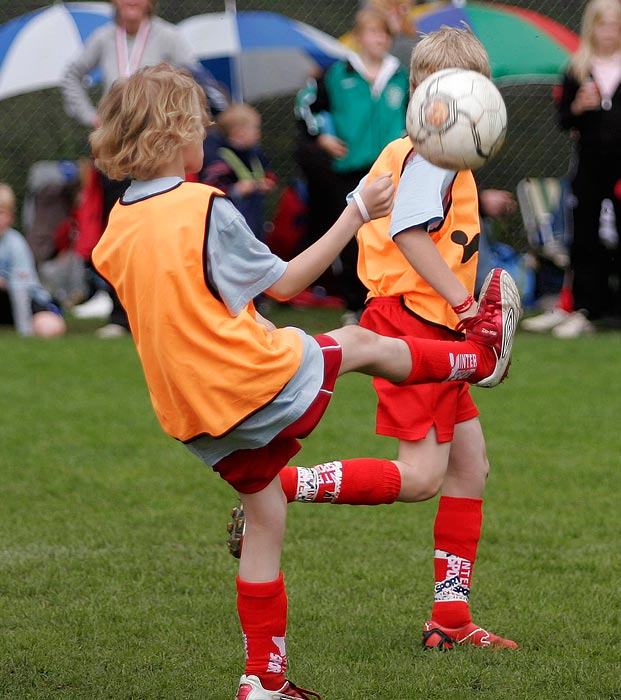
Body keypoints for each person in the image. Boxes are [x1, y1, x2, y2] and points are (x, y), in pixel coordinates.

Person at [89, 64, 519, 699]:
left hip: (194, 416)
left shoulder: (112, 234)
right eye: (200, 126)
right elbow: (287, 284)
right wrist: (353, 212)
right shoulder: (203, 207)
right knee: (363, 344)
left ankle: (263, 680)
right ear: (179, 134)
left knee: (266, 516)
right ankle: (476, 360)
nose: (205, 136)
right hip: (254, 382)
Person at [231, 27, 521, 653]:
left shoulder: (435, 153)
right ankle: (278, 484)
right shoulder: (429, 155)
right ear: (424, 99)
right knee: (421, 477)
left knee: (470, 468)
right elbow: (414, 234)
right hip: (416, 323)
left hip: (428, 324)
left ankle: (449, 621)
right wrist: (468, 305)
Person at [62, 0, 229, 338]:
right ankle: (121, 314)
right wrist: (93, 117)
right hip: (120, 147)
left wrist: (182, 121)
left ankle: (170, 308)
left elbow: (195, 79)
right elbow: (71, 76)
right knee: (119, 227)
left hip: (160, 148)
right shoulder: (104, 38)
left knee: (166, 224)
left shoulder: (168, 36)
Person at [294, 8, 409, 323]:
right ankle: (356, 305)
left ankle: (393, 302)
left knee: (393, 234)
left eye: (384, 33)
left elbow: (415, 118)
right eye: (372, 33)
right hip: (349, 170)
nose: (378, 39)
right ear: (358, 38)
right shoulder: (338, 73)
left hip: (391, 169)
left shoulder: (400, 76)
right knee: (353, 236)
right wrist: (321, 137)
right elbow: (307, 106)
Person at [523, 0, 621, 337]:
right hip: (590, 169)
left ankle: (613, 308)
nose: (608, 33)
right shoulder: (576, 69)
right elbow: (563, 120)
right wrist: (578, 106)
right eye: (602, 25)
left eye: (614, 25)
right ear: (591, 27)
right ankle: (586, 308)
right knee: (585, 238)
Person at [199, 103, 278, 242]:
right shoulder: (218, 155)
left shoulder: (254, 152)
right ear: (239, 133)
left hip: (254, 215)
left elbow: (267, 170)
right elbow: (213, 187)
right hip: (233, 217)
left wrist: (268, 180)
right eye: (254, 129)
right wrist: (236, 189)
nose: (258, 133)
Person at [0, 183, 66, 338]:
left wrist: (25, 331)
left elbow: (20, 289)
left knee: (51, 328)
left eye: (1, 212)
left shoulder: (15, 243)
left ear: (11, 217)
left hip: (23, 300)